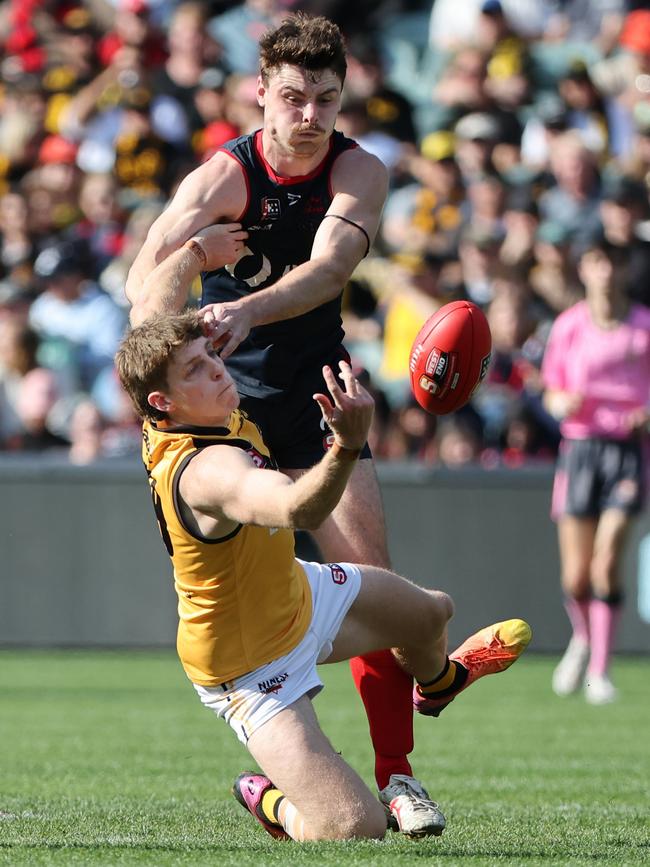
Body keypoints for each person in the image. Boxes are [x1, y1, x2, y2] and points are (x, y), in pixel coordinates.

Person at [124, 12, 442, 836]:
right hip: (222, 418)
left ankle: (400, 773)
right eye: (293, 98)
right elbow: (140, 293)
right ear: (258, 92)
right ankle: (292, 731)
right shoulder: (222, 178)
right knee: (249, 603)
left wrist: (243, 305)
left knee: (387, 583)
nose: (308, 117)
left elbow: (330, 267)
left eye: (325, 100)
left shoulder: (359, 169)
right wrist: (192, 262)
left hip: (316, 397)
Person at [114, 308, 532, 842]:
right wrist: (347, 446)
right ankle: (269, 800)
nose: (218, 370)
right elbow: (297, 510)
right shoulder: (205, 471)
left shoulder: (191, 411)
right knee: (356, 827)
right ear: (161, 404)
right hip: (250, 668)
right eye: (196, 369)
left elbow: (149, 290)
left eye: (212, 357)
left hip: (298, 593)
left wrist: (194, 250)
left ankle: (439, 683)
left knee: (432, 612)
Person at [541, 237, 650, 705]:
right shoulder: (568, 326)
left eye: (613, 263)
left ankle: (600, 671)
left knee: (607, 562)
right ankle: (583, 637)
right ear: (584, 269)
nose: (606, 272)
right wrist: (561, 402)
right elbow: (551, 389)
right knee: (576, 577)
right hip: (580, 450)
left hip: (626, 451)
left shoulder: (643, 326)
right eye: (597, 262)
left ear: (624, 270)